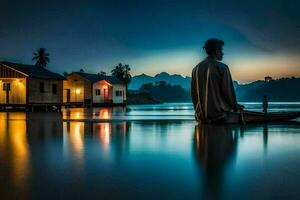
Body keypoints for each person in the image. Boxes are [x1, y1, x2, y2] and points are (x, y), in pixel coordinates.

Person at [191, 38, 243, 123]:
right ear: (216, 51)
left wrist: (200, 111)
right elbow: (228, 92)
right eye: (221, 50)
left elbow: (194, 95)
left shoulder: (196, 69)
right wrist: (235, 107)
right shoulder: (222, 67)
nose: (222, 53)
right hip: (220, 115)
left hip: (201, 117)